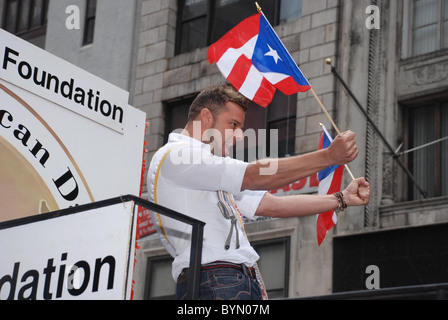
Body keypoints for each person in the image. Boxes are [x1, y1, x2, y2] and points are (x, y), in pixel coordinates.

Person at [147, 84, 370, 300]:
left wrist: (342, 198)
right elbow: (254, 176)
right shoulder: (178, 155)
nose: (238, 136)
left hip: (230, 279)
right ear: (206, 117)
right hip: (216, 278)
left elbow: (272, 205)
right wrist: (328, 157)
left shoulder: (206, 165)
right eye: (233, 124)